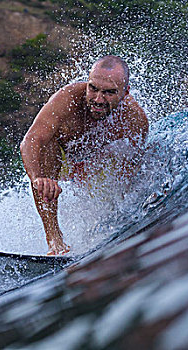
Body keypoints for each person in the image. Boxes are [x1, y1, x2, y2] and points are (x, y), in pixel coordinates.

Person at [20, 55, 149, 255]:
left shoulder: (134, 119)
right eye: (93, 88)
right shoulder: (68, 99)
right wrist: (38, 178)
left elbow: (133, 167)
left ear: (125, 93)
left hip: (98, 165)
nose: (98, 99)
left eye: (109, 93)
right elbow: (31, 140)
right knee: (47, 146)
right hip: (63, 160)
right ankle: (55, 240)